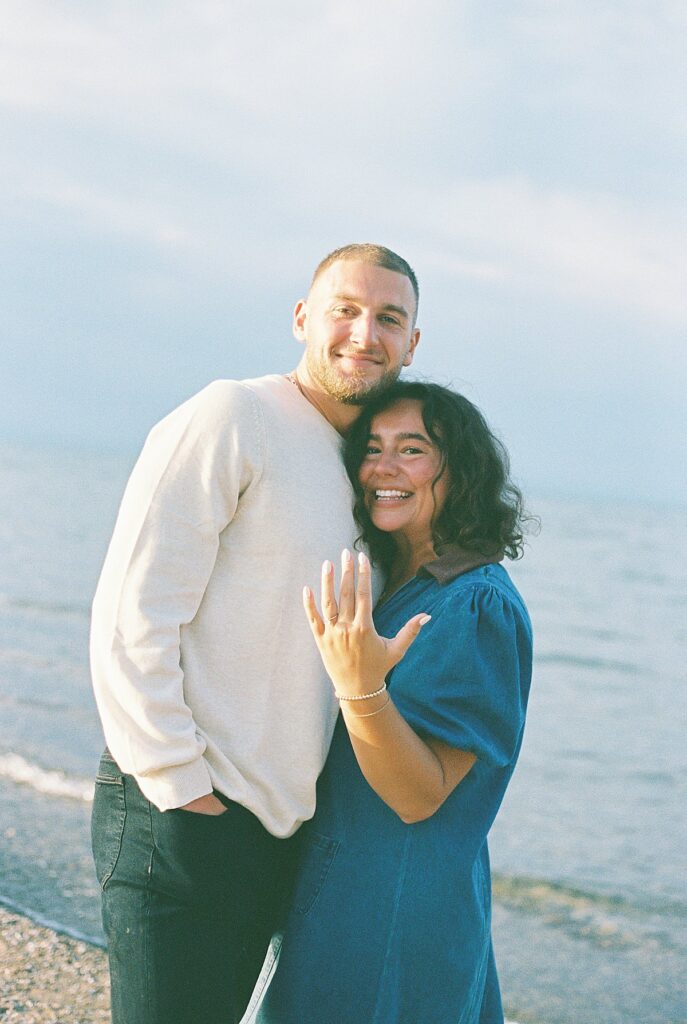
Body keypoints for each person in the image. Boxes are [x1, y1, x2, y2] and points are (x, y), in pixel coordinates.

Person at [89, 243, 421, 1024]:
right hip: (183, 810)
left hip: (278, 832)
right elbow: (133, 609)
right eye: (344, 309)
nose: (363, 333)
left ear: (412, 343)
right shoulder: (234, 413)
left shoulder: (361, 467)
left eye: (389, 318)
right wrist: (179, 785)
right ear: (304, 318)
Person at [246, 381, 533, 1024]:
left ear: (459, 469)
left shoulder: (474, 605)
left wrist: (360, 686)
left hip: (399, 911)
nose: (384, 467)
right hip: (339, 891)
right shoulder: (390, 578)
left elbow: (419, 794)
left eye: (412, 448)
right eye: (373, 448)